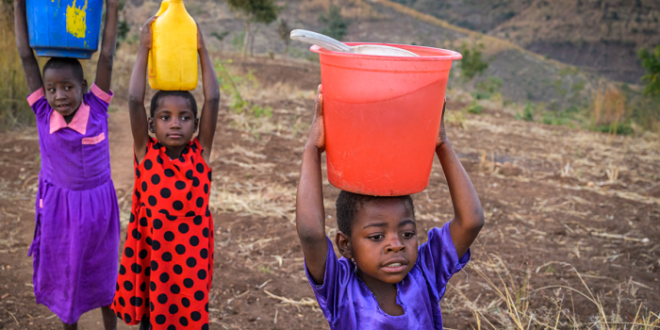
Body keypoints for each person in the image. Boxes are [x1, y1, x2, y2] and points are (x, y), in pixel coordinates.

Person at [295, 87, 484, 329]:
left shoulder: (425, 272)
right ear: (346, 245)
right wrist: (312, 147)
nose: (396, 244)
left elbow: (471, 222)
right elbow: (310, 233)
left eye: (407, 234)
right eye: (376, 236)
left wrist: (441, 144)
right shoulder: (339, 287)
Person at [14, 0, 120, 328]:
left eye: (68, 87)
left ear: (84, 89)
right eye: (52, 89)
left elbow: (106, 56)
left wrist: (112, 7)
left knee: (105, 274)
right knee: (66, 272)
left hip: (98, 207)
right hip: (59, 209)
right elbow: (26, 56)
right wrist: (19, 5)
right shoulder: (44, 114)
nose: (59, 95)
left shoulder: (98, 110)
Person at [112, 16, 220, 330]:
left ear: (196, 125)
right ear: (151, 125)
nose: (175, 123)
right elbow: (134, 99)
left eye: (185, 117)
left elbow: (212, 98)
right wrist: (143, 47)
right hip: (152, 252)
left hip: (192, 257)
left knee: (191, 314)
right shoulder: (146, 153)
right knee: (152, 317)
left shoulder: (201, 153)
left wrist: (201, 49)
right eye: (165, 117)